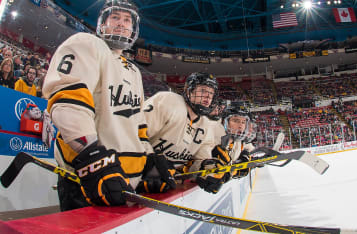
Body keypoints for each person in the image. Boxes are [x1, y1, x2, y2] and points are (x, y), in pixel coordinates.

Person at [42, 0, 175, 211]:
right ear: (102, 24)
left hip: (128, 183)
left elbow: (138, 125)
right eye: (115, 18)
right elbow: (68, 102)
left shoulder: (134, 71)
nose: (121, 24)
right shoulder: (86, 44)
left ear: (134, 28)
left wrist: (148, 159)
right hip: (89, 178)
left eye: (127, 20)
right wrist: (91, 156)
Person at [141, 72, 231, 194]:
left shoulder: (206, 125)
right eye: (203, 90)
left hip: (167, 185)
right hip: (135, 177)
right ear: (189, 91)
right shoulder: (168, 101)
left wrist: (208, 169)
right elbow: (134, 133)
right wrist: (149, 162)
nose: (208, 97)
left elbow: (197, 162)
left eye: (211, 93)